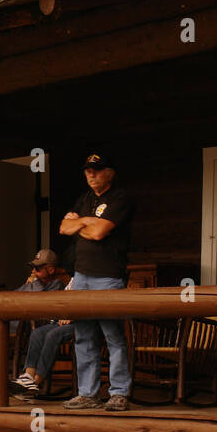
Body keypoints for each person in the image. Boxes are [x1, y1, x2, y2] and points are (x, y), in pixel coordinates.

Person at [59, 151, 135, 412]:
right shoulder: (84, 199)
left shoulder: (120, 197)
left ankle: (119, 392)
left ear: (110, 173)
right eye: (88, 171)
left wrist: (83, 223)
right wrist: (88, 222)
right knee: (83, 336)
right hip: (81, 276)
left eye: (97, 170)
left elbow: (101, 232)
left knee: (113, 335)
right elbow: (64, 228)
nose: (91, 174)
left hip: (109, 276)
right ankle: (88, 393)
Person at [11, 249, 75, 397]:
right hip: (60, 321)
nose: (33, 271)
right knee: (38, 333)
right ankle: (28, 375)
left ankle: (35, 382)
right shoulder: (73, 280)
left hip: (77, 323)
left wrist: (71, 314)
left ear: (51, 269)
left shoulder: (57, 284)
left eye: (38, 268)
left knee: (52, 334)